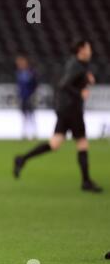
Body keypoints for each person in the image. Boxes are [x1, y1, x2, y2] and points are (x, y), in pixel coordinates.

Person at [14, 40, 102, 193]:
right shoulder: (76, 65)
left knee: (54, 144)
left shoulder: (76, 64)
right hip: (72, 110)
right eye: (88, 48)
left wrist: (86, 79)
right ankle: (86, 182)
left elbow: (73, 80)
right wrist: (80, 93)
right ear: (81, 50)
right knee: (82, 143)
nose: (90, 51)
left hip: (65, 110)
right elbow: (64, 84)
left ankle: (22, 158)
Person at [15, 54, 38, 140]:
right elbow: (19, 86)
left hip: (30, 96)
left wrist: (33, 94)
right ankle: (24, 133)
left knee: (31, 115)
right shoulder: (19, 73)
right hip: (23, 97)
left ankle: (34, 133)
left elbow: (35, 84)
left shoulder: (31, 72)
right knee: (24, 115)